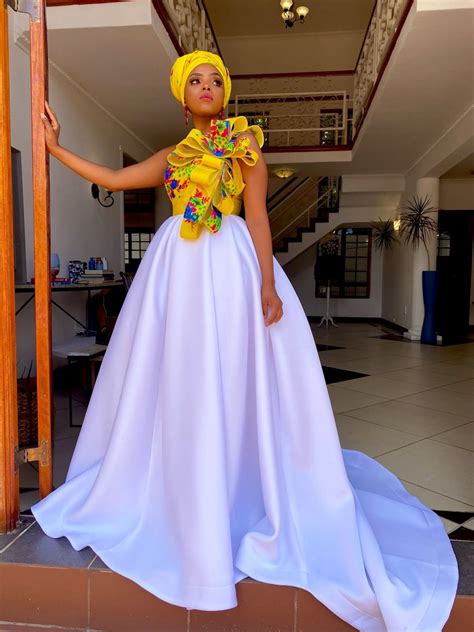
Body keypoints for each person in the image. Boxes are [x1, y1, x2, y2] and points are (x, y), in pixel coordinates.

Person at [31, 50, 459, 631]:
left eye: (215, 80)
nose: (207, 87)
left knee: (232, 375)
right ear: (183, 98)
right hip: (174, 271)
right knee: (174, 376)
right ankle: (173, 477)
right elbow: (112, 178)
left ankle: (236, 476)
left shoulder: (246, 149)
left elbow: (258, 218)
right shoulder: (171, 155)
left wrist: (266, 281)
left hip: (230, 269)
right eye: (196, 81)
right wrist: (55, 149)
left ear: (223, 94)